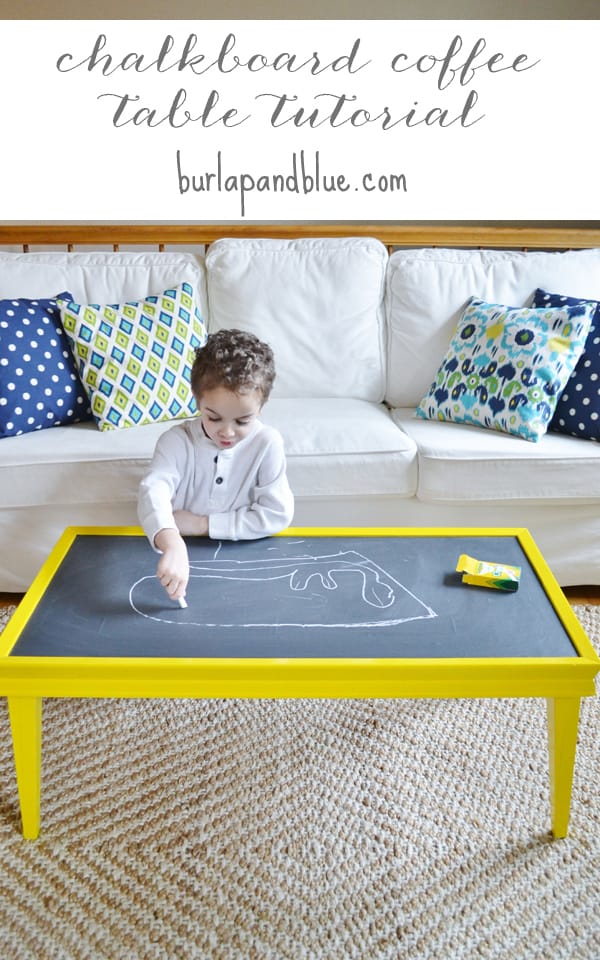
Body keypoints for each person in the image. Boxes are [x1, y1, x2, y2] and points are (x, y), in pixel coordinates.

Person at [138, 328, 294, 602]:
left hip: (245, 560)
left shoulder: (268, 444)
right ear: (198, 401)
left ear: (261, 407)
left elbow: (276, 515)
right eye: (214, 418)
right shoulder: (176, 442)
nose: (228, 432)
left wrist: (201, 524)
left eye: (243, 421)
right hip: (180, 552)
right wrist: (172, 542)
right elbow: (153, 492)